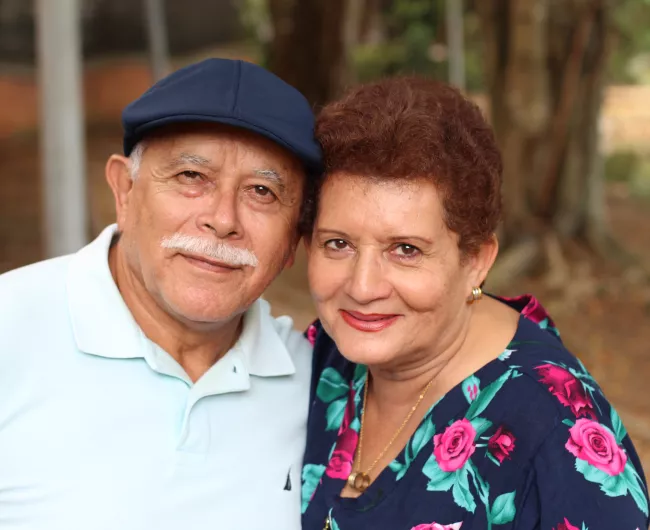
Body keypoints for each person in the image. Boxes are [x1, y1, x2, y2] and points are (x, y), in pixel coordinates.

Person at [300, 76, 649, 530]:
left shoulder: (555, 435)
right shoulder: (320, 356)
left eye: (406, 249)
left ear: (476, 261)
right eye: (338, 243)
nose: (363, 288)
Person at [0, 58, 321, 529]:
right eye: (191, 177)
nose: (223, 219)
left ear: (294, 240)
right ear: (125, 191)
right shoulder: (11, 330)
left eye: (261, 192)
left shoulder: (319, 387)